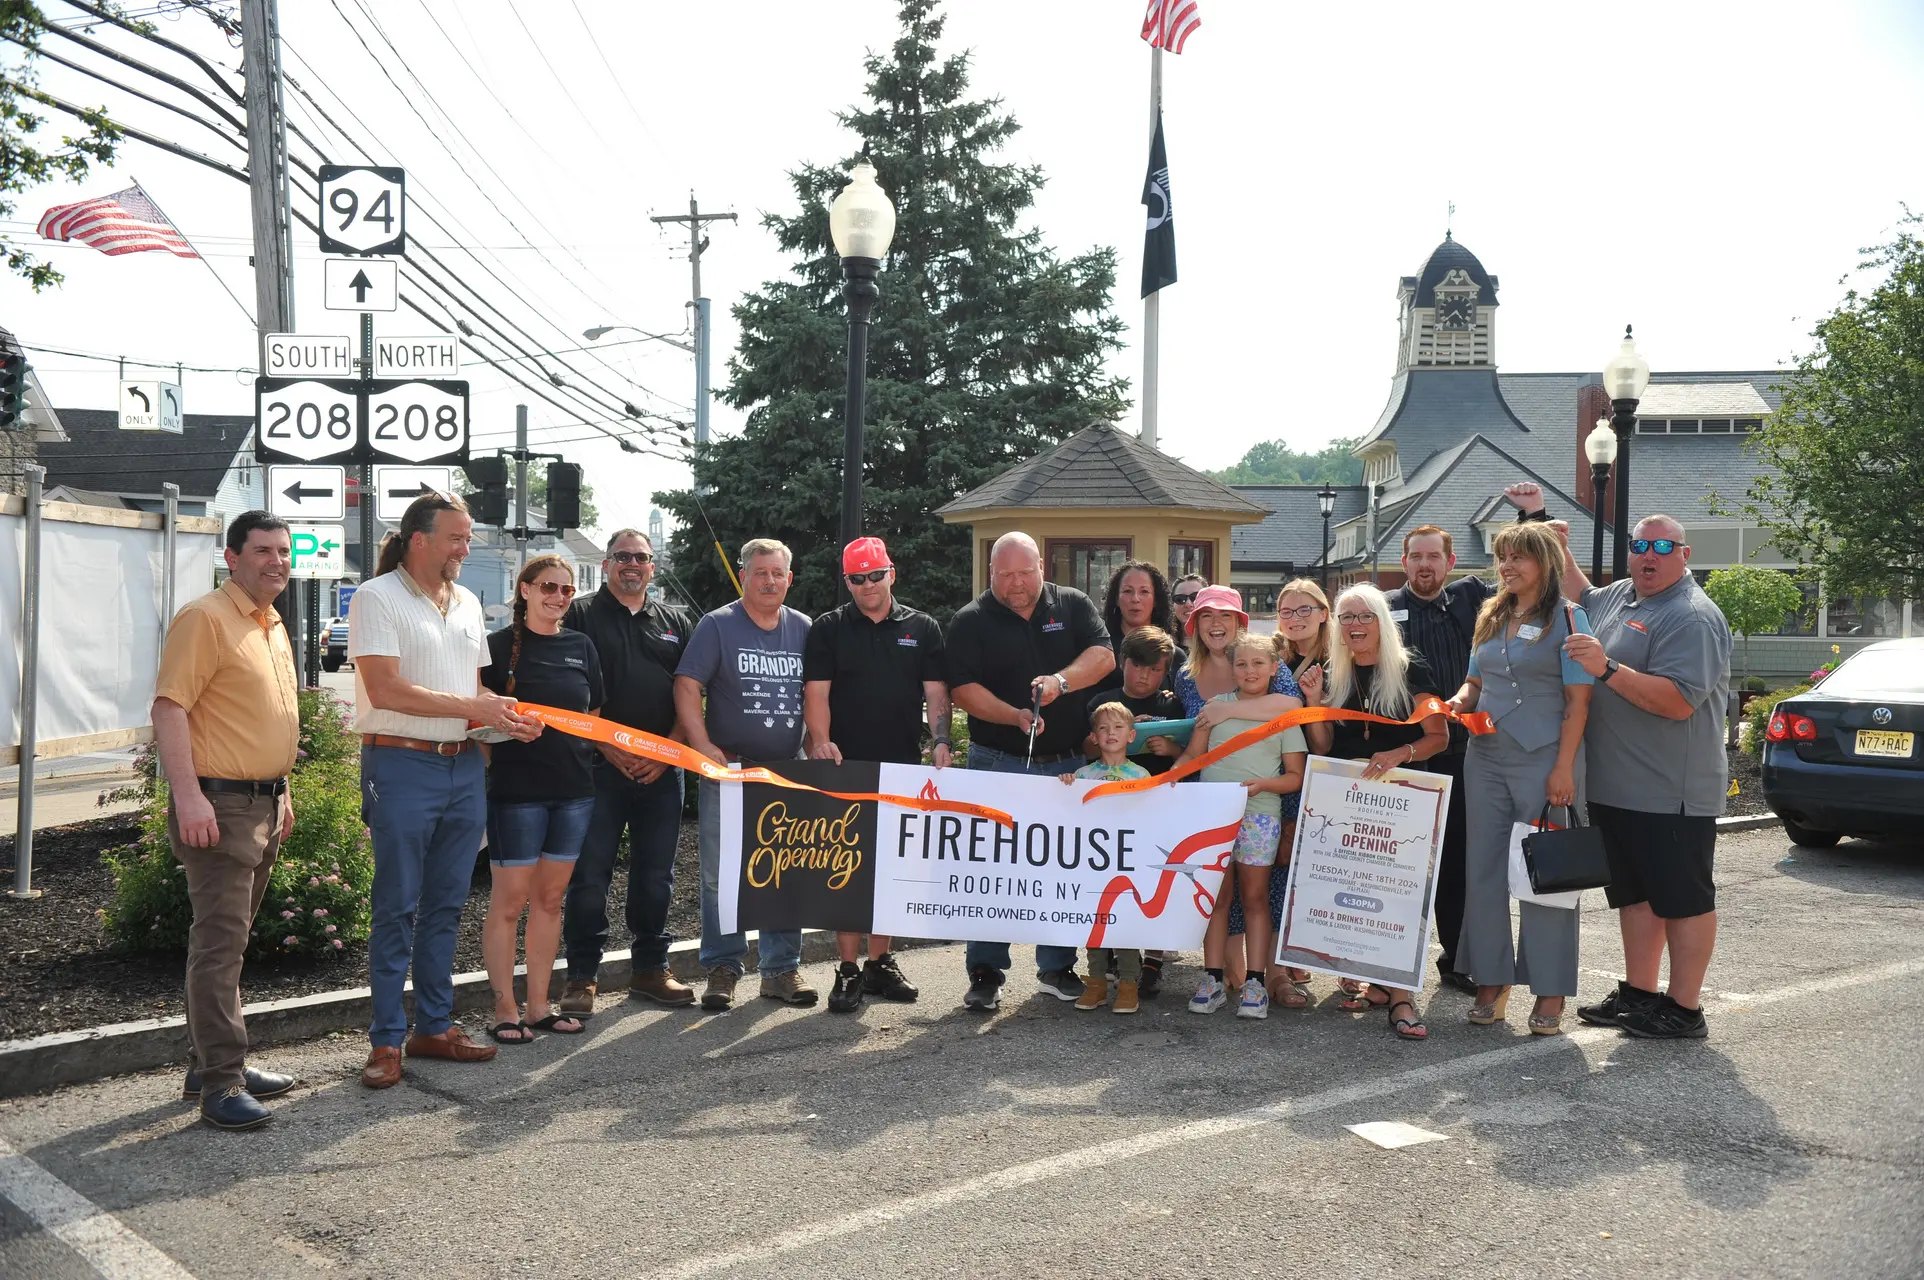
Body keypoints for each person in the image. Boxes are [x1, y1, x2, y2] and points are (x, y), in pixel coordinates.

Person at [351, 493, 539, 1089]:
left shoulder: (466, 602)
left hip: (463, 768)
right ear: (419, 540)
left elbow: (472, 689)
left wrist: (505, 717)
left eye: (467, 537)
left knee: (446, 906)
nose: (466, 547)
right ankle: (386, 1040)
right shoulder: (375, 596)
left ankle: (433, 1027)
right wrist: (474, 706)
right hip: (400, 764)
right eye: (457, 537)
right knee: (396, 907)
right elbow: (385, 690)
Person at [1552, 514, 1732, 1039]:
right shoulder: (1621, 596)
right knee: (1635, 896)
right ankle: (1639, 993)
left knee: (1683, 900)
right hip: (1618, 787)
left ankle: (1685, 1008)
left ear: (1685, 554)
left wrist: (1606, 668)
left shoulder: (1691, 616)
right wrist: (1552, 537)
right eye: (1639, 545)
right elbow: (1579, 593)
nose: (1650, 555)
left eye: (1663, 547)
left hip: (1671, 792)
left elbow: (1678, 702)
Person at [151, 510, 300, 1129]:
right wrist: (188, 797)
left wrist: (283, 791)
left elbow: (263, 717)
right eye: (262, 550)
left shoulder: (271, 623)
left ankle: (207, 1063)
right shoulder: (205, 618)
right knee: (219, 945)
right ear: (232, 558)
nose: (276, 561)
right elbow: (169, 708)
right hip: (220, 806)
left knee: (230, 942)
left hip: (263, 802)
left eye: (283, 551)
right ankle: (221, 1082)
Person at [1386, 482, 1551, 993]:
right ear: (1404, 561)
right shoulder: (1384, 607)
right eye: (1416, 557)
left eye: (1433, 556)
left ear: (1451, 561)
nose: (1424, 565)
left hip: (1466, 753)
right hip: (1407, 754)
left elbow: (1527, 565)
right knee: (1398, 859)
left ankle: (1458, 959)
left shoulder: (1474, 597)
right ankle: (1383, 961)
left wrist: (1532, 514)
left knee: (1460, 860)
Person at [944, 531, 1114, 1011]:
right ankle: (985, 971)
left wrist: (1061, 682)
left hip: (1067, 765)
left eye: (1025, 572)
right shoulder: (971, 619)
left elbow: (1103, 657)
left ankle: (1056, 967)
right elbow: (962, 689)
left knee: (1061, 867)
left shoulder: (1073, 604)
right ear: (991, 573)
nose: (1016, 583)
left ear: (1041, 566)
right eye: (1006, 575)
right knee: (990, 869)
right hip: (996, 761)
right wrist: (1013, 715)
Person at [1444, 523, 1593, 1035]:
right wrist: (1457, 703)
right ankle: (1491, 979)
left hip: (1544, 758)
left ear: (1545, 562)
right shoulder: (1491, 613)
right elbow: (1475, 680)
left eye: (1518, 557)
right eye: (1502, 557)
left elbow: (1579, 703)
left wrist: (1564, 768)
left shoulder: (1570, 617)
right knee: (1482, 870)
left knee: (1544, 873)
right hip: (1484, 757)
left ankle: (1550, 990)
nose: (1507, 566)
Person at [1299, 583, 1451, 1040]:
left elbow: (1438, 736)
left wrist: (1399, 754)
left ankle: (1402, 998)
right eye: (1347, 617)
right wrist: (1314, 705)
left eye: (1365, 615)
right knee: (1356, 894)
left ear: (1382, 621)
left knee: (1400, 898)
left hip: (1402, 804)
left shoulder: (1411, 668)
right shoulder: (1333, 673)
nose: (1356, 625)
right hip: (1350, 805)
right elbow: (1323, 746)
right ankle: (1379, 985)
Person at [804, 536, 948, 1014]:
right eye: (858, 578)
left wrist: (941, 740)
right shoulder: (828, 628)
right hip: (845, 766)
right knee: (847, 869)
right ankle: (848, 968)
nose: (868, 585)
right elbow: (816, 693)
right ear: (847, 582)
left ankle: (879, 962)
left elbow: (937, 693)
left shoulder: (922, 627)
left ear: (892, 573)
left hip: (901, 766)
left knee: (890, 870)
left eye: (876, 575)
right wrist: (820, 741)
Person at [558, 528, 696, 1016]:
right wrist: (604, 744)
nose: (632, 564)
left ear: (653, 566)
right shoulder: (578, 615)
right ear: (607, 564)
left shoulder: (676, 621)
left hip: (662, 769)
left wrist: (669, 752)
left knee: (656, 876)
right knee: (589, 875)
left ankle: (650, 970)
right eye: (622, 556)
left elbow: (690, 694)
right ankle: (581, 976)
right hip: (596, 767)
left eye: (641, 557)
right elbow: (567, 692)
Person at [674, 538, 815, 1011]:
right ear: (743, 577)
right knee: (721, 875)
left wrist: (817, 746)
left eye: (777, 573)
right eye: (760, 573)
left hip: (787, 771)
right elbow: (687, 684)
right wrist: (702, 745)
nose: (769, 581)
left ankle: (780, 970)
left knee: (785, 871)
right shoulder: (718, 625)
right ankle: (722, 967)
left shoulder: (804, 628)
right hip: (729, 770)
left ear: (789, 579)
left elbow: (818, 695)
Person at [478, 555, 602, 1043]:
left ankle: (538, 1007)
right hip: (517, 795)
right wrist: (501, 761)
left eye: (566, 590)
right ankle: (504, 1009)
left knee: (550, 901)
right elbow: (478, 720)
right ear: (525, 589)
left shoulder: (581, 645)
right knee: (509, 903)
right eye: (549, 587)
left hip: (574, 793)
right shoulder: (496, 646)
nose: (558, 597)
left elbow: (593, 715)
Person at [1174, 585, 1304, 995]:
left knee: (1257, 898)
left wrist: (1263, 784)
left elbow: (1295, 767)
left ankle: (1260, 981)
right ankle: (1214, 977)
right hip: (1212, 816)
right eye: (1242, 665)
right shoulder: (1200, 693)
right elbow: (1192, 756)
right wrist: (1162, 779)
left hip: (1261, 814)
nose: (1249, 671)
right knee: (1216, 897)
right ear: (1232, 670)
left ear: (1272, 667)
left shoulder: (1277, 704)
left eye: (1257, 664)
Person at [1059, 701, 1150, 1015]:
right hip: (1092, 865)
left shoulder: (1142, 775)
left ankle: (1128, 984)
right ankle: (1096, 981)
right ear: (1094, 737)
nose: (1111, 733)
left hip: (1126, 864)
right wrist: (1066, 786)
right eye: (1103, 728)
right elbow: (1068, 810)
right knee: (1094, 921)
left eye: (1118, 727)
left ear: (1131, 735)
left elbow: (1152, 813)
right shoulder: (1083, 774)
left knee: (1123, 922)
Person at [1100, 560, 1175, 669]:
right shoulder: (1101, 650)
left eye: (1144, 592)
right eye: (1127, 591)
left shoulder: (1172, 654)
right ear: (1116, 599)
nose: (1135, 599)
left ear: (1156, 600)